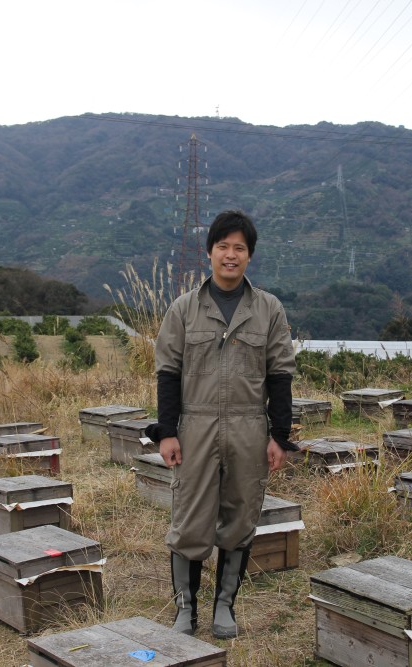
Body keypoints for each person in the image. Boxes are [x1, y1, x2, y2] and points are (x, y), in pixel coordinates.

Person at [145, 209, 296, 639]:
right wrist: (168, 430)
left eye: (239, 248)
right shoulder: (184, 309)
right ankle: (185, 610)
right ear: (209, 252)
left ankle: (224, 607)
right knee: (190, 518)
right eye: (223, 247)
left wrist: (278, 436)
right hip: (195, 426)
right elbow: (168, 373)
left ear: (249, 256)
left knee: (240, 515)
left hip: (249, 429)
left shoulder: (268, 309)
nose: (230, 255)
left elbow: (281, 374)